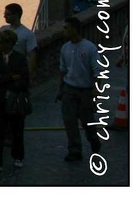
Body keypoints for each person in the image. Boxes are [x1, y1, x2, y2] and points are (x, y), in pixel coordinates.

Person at [0, 26, 31, 172]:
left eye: (0, 42)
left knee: (17, 130)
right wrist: (11, 77)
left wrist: (3, 78)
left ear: (9, 43)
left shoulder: (19, 58)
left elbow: (24, 81)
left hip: (14, 100)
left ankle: (18, 156)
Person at [58, 15, 100, 163]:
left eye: (66, 28)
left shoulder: (89, 48)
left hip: (85, 91)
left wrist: (96, 89)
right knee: (69, 122)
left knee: (87, 121)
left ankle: (93, 138)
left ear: (75, 30)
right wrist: (61, 89)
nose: (63, 31)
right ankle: (74, 150)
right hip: (70, 89)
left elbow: (97, 70)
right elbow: (63, 70)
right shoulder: (65, 48)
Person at [0, 3, 37, 75]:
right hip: (2, 68)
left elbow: (32, 55)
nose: (4, 16)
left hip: (17, 69)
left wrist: (30, 74)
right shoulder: (2, 29)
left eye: (8, 14)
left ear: (16, 15)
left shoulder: (27, 34)